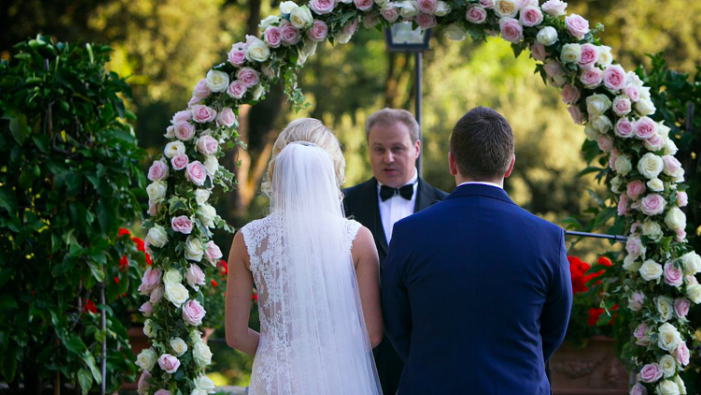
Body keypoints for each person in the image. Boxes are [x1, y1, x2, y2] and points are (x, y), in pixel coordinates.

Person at [381, 107, 573, 395]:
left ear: (451, 162)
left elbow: (396, 324)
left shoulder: (409, 233)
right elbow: (554, 329)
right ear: (510, 165)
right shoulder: (547, 238)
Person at [225, 118, 384, 395]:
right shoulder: (357, 239)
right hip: (337, 380)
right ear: (332, 172)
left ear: (277, 171)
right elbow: (371, 333)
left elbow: (235, 335)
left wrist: (279, 355)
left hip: (273, 381)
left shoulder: (247, 239)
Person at [343, 108, 448, 395]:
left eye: (397, 148)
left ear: (416, 148)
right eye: (379, 149)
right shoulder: (342, 205)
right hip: (359, 351)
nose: (387, 158)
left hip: (425, 351)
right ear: (368, 150)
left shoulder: (446, 206)